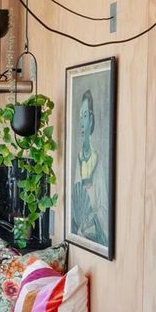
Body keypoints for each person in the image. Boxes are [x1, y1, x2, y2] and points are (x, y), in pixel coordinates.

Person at [70, 86, 108, 247]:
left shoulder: (98, 162)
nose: (82, 122)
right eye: (80, 116)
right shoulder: (77, 159)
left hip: (94, 236)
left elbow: (104, 207)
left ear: (91, 119)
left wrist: (91, 218)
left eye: (85, 115)